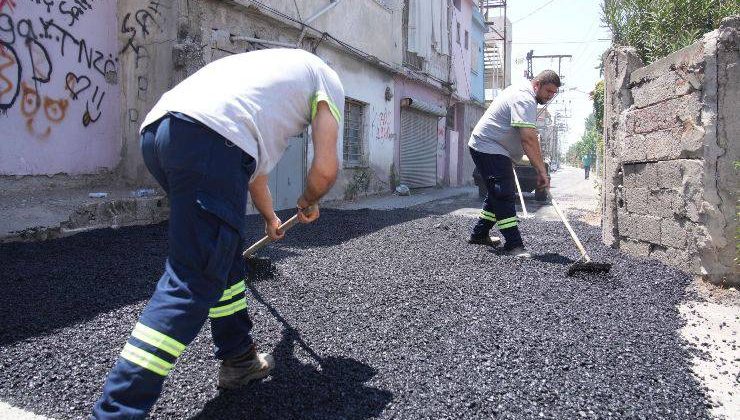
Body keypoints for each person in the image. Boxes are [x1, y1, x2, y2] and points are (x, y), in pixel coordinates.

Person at [92, 48, 344, 419]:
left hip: (162, 133)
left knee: (221, 255)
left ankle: (239, 358)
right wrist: (308, 200)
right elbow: (325, 168)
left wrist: (271, 217)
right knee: (193, 278)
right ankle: (116, 411)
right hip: (210, 138)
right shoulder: (328, 80)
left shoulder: (265, 81)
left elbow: (255, 175)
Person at [466, 70, 559, 258]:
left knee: (496, 193)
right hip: (488, 146)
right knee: (503, 193)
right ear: (537, 85)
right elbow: (528, 140)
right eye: (548, 92)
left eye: (553, 94)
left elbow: (527, 137)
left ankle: (479, 234)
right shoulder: (524, 98)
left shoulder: (525, 94)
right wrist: (541, 172)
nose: (550, 97)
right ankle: (514, 244)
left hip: (497, 149)